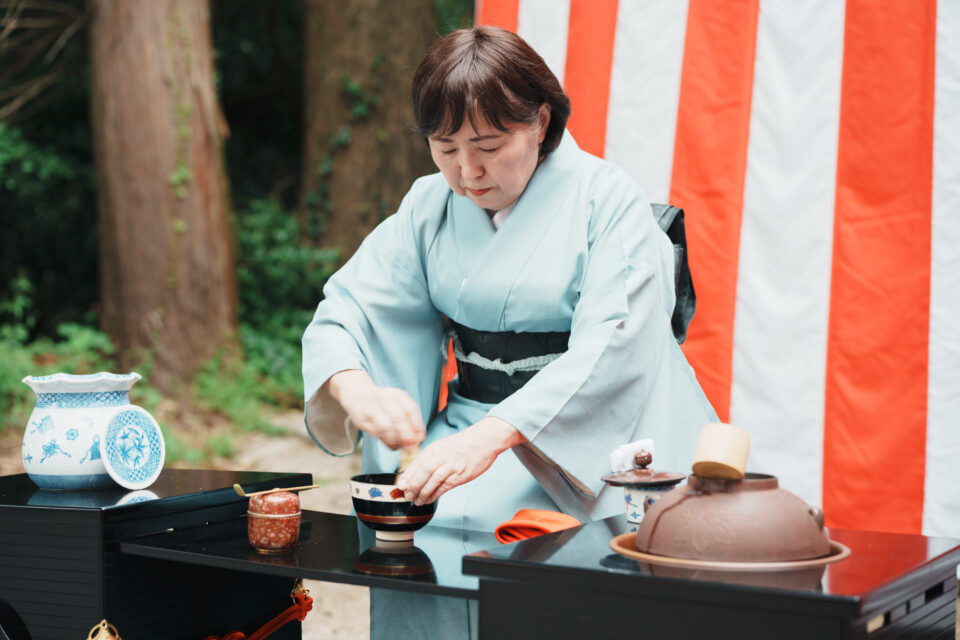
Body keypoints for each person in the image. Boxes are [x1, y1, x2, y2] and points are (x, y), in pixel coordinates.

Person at [302, 26, 717, 638]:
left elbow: (613, 349)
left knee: (537, 548)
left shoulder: (609, 202)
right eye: (444, 149)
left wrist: (493, 439)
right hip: (464, 431)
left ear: (540, 122)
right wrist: (360, 391)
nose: (467, 173)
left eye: (489, 147)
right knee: (415, 521)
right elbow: (349, 310)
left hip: (589, 446)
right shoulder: (427, 206)